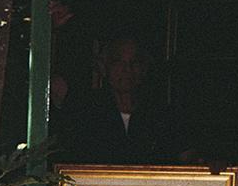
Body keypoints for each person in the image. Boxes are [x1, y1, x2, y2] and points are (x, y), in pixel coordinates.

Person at [51, 34, 193, 165]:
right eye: (119, 62)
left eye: (134, 62)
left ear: (144, 68)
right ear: (104, 66)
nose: (127, 70)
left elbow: (187, 159)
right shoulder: (84, 111)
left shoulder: (163, 115)